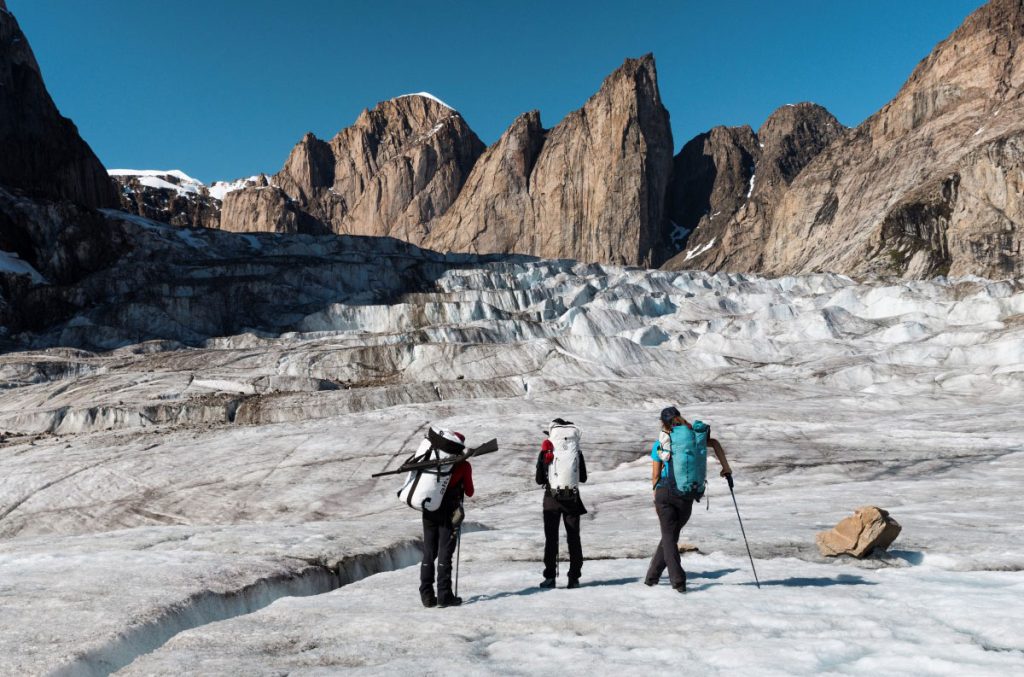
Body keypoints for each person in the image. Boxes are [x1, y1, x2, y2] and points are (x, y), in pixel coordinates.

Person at [645, 406, 732, 593]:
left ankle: (677, 580)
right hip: (686, 495)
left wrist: (655, 497)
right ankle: (651, 577)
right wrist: (726, 468)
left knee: (668, 537)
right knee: (670, 536)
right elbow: (715, 443)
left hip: (665, 492)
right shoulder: (694, 438)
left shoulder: (662, 442)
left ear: (663, 423)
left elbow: (655, 474)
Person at [420, 431, 474, 608]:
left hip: (429, 509)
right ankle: (444, 596)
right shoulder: (463, 465)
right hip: (448, 512)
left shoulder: (432, 460)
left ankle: (427, 596)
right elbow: (470, 492)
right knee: (445, 552)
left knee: (429, 551)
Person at [535, 418, 588, 589]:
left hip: (551, 499)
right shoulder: (575, 449)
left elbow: (538, 479)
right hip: (572, 499)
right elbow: (583, 477)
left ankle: (550, 577)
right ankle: (574, 578)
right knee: (574, 538)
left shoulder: (547, 449)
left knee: (551, 539)